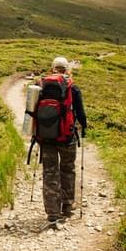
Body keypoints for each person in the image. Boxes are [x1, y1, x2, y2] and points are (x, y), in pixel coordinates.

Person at [38, 57, 87, 222]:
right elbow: (80, 113)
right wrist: (84, 127)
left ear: (52, 69)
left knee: (49, 172)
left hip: (46, 138)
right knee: (67, 169)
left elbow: (31, 112)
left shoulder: (41, 86)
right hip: (67, 137)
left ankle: (52, 212)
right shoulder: (73, 88)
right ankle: (67, 206)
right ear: (67, 70)